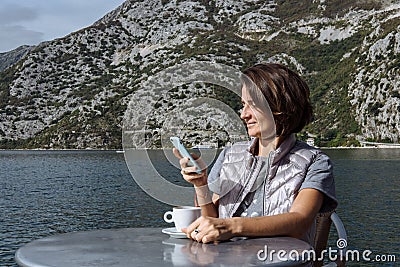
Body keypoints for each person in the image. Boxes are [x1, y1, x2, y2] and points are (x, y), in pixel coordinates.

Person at [173, 63, 337, 245]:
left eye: (252, 105)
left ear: (278, 106)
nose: (243, 115)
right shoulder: (230, 154)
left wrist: (232, 227)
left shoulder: (315, 162)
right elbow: (213, 219)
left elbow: (299, 222)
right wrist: (201, 184)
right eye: (243, 105)